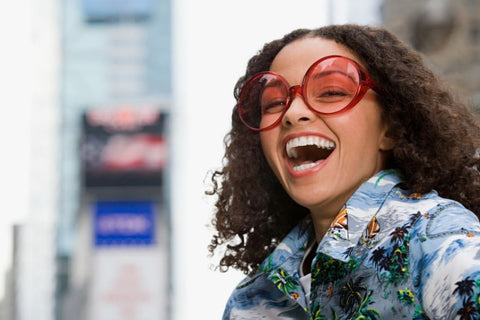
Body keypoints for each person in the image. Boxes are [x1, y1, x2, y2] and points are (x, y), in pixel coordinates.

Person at [208, 24, 480, 319]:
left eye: (332, 92)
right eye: (274, 103)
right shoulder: (252, 298)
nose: (292, 113)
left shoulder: (437, 240)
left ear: (391, 126)